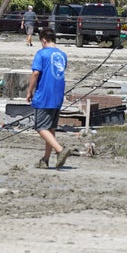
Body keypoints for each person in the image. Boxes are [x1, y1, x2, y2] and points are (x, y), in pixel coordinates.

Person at [27, 27, 73, 169]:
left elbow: (36, 73)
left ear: (44, 40)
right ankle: (45, 160)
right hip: (58, 95)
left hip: (44, 95)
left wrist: (29, 91)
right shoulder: (62, 55)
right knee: (50, 128)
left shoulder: (41, 54)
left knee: (40, 127)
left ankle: (60, 150)